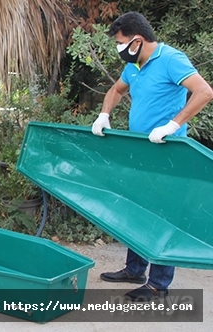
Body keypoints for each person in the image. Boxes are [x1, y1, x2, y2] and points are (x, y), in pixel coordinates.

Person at [91, 12, 213, 301]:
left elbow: (204, 92)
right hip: (141, 151)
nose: (118, 49)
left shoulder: (171, 59)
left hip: (167, 153)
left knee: (162, 215)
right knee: (138, 211)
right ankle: (134, 269)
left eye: (120, 43)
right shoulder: (134, 67)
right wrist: (104, 114)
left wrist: (173, 124)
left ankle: (158, 284)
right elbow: (116, 89)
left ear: (137, 40)